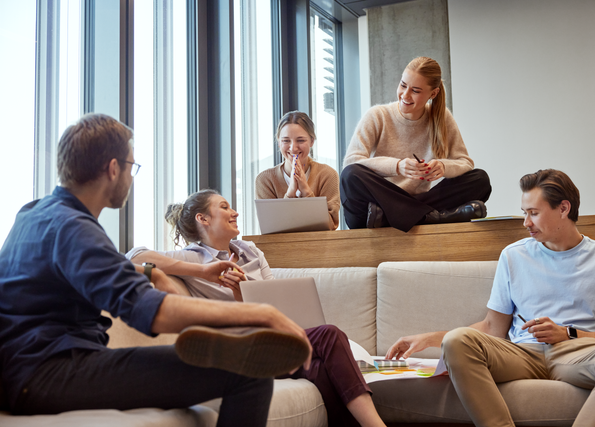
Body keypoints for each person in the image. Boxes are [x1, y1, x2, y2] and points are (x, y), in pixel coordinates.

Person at [0, 114, 312, 426]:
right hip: (48, 373)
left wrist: (164, 273)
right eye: (131, 166)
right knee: (249, 370)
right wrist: (261, 314)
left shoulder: (34, 214)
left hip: (28, 369)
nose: (131, 177)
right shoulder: (74, 228)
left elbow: (100, 269)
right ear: (112, 168)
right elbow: (151, 311)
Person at [386, 169, 595, 427]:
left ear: (564, 208)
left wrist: (568, 334)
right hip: (521, 353)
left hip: (578, 355)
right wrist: (431, 338)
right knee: (457, 341)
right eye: (524, 213)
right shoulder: (513, 255)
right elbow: (492, 328)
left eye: (534, 213)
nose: (526, 223)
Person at [127, 188, 387, 427]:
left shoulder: (251, 251)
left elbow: (274, 301)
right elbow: (133, 257)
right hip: (244, 347)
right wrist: (203, 271)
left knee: (321, 370)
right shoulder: (193, 256)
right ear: (203, 219)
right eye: (225, 207)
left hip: (277, 339)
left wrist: (243, 292)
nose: (235, 212)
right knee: (329, 334)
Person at [341, 56, 492, 232]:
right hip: (376, 202)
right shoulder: (377, 115)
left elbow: (465, 163)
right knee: (350, 175)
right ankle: (428, 216)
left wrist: (443, 167)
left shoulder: (442, 117)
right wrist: (396, 166)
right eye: (403, 85)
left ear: (433, 93)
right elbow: (352, 161)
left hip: (382, 213)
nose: (405, 95)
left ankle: (403, 216)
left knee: (480, 179)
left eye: (416, 90)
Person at [255, 111, 340, 230]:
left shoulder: (327, 175)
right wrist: (290, 194)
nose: (293, 148)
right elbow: (270, 229)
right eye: (285, 141)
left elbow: (331, 225)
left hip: (320, 246)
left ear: (312, 141)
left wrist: (306, 191)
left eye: (300, 140)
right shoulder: (265, 180)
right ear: (279, 142)